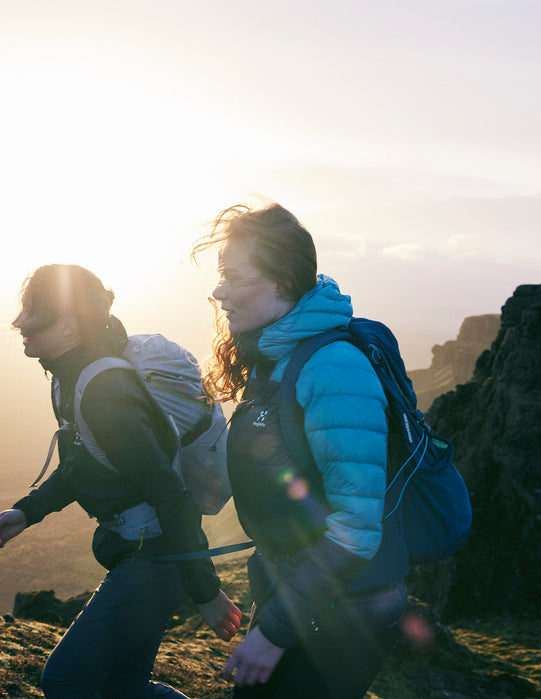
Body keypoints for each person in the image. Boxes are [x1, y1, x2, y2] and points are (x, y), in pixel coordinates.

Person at [0, 264, 241, 699]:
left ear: (67, 327)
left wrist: (206, 591)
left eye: (34, 315)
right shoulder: (72, 376)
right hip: (144, 552)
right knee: (126, 688)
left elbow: (169, 495)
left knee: (65, 681)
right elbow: (88, 463)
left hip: (155, 558)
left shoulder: (106, 393)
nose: (21, 325)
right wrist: (27, 511)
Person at [192, 204, 410, 698]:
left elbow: (356, 529)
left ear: (282, 281)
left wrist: (273, 632)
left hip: (345, 613)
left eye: (232, 275)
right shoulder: (273, 356)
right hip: (300, 595)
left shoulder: (334, 369)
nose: (218, 291)